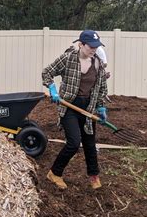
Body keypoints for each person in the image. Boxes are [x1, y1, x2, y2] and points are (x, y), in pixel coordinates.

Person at [42, 30, 108, 190]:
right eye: (91, 46)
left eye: (96, 46)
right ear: (81, 44)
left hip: (88, 107)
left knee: (90, 144)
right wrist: (52, 89)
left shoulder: (98, 62)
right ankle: (54, 173)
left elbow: (101, 87)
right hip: (69, 106)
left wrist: (101, 106)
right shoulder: (68, 58)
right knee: (73, 142)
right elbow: (47, 72)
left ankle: (93, 176)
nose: (94, 49)